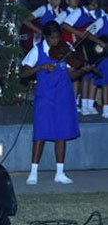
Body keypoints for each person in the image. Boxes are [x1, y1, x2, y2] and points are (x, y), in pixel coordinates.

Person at [20, 22, 92, 185]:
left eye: (58, 37)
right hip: (45, 97)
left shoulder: (64, 48)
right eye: (52, 38)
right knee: (41, 133)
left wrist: (82, 70)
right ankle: (33, 172)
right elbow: (23, 72)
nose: (56, 41)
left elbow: (70, 75)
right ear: (45, 37)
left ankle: (60, 172)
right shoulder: (37, 50)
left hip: (63, 95)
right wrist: (41, 67)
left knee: (62, 133)